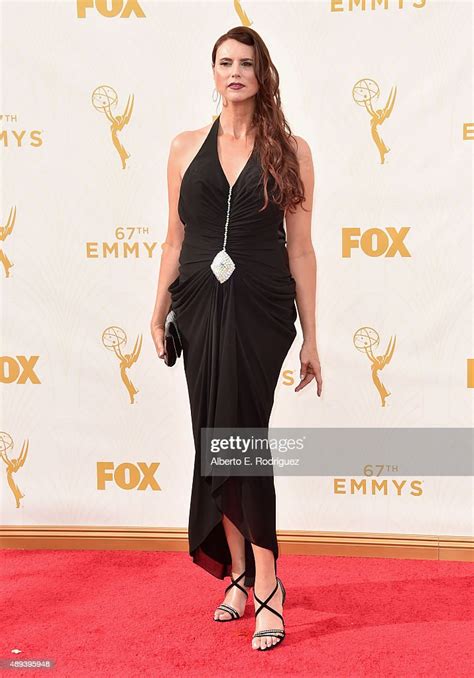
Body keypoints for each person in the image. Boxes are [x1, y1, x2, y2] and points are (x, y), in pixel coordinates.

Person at [150, 26, 322, 651]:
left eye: (246, 63)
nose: (235, 72)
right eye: (225, 62)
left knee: (242, 435)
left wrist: (311, 335)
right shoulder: (183, 147)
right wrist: (159, 304)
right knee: (212, 434)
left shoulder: (290, 150)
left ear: (261, 73)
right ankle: (239, 574)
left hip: (260, 307)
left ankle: (268, 584)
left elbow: (301, 249)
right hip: (196, 305)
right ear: (213, 72)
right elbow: (173, 238)